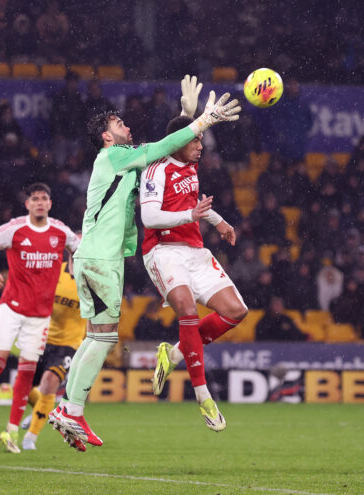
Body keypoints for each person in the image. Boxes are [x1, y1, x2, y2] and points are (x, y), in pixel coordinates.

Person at [49, 75, 241, 450]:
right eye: (119, 125)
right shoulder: (114, 156)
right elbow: (164, 147)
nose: (127, 127)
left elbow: (163, 150)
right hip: (101, 257)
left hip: (95, 255)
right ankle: (71, 409)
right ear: (107, 136)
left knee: (95, 337)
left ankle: (68, 410)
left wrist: (184, 118)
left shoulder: (121, 160)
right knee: (103, 339)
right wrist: (204, 120)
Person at [140, 114, 249, 432]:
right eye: (196, 140)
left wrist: (217, 221)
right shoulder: (155, 169)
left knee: (236, 311)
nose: (201, 146)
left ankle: (172, 353)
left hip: (195, 250)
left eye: (201, 139)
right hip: (162, 252)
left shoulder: (190, 167)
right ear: (178, 142)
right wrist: (192, 214)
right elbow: (149, 216)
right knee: (187, 310)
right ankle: (203, 396)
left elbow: (193, 204)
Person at [0, 183, 80, 453]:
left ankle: (10, 432)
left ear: (50, 203)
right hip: (11, 306)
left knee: (26, 371)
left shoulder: (60, 231)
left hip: (40, 316)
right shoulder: (14, 228)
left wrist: (79, 266)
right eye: (35, 199)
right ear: (28, 204)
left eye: (44, 198)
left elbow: (81, 249)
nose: (40, 203)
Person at [20, 257, 86, 451]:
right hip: (42, 338)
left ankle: (30, 438)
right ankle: (41, 409)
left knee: (49, 382)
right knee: (23, 385)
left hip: (69, 344)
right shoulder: (54, 271)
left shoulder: (92, 277)